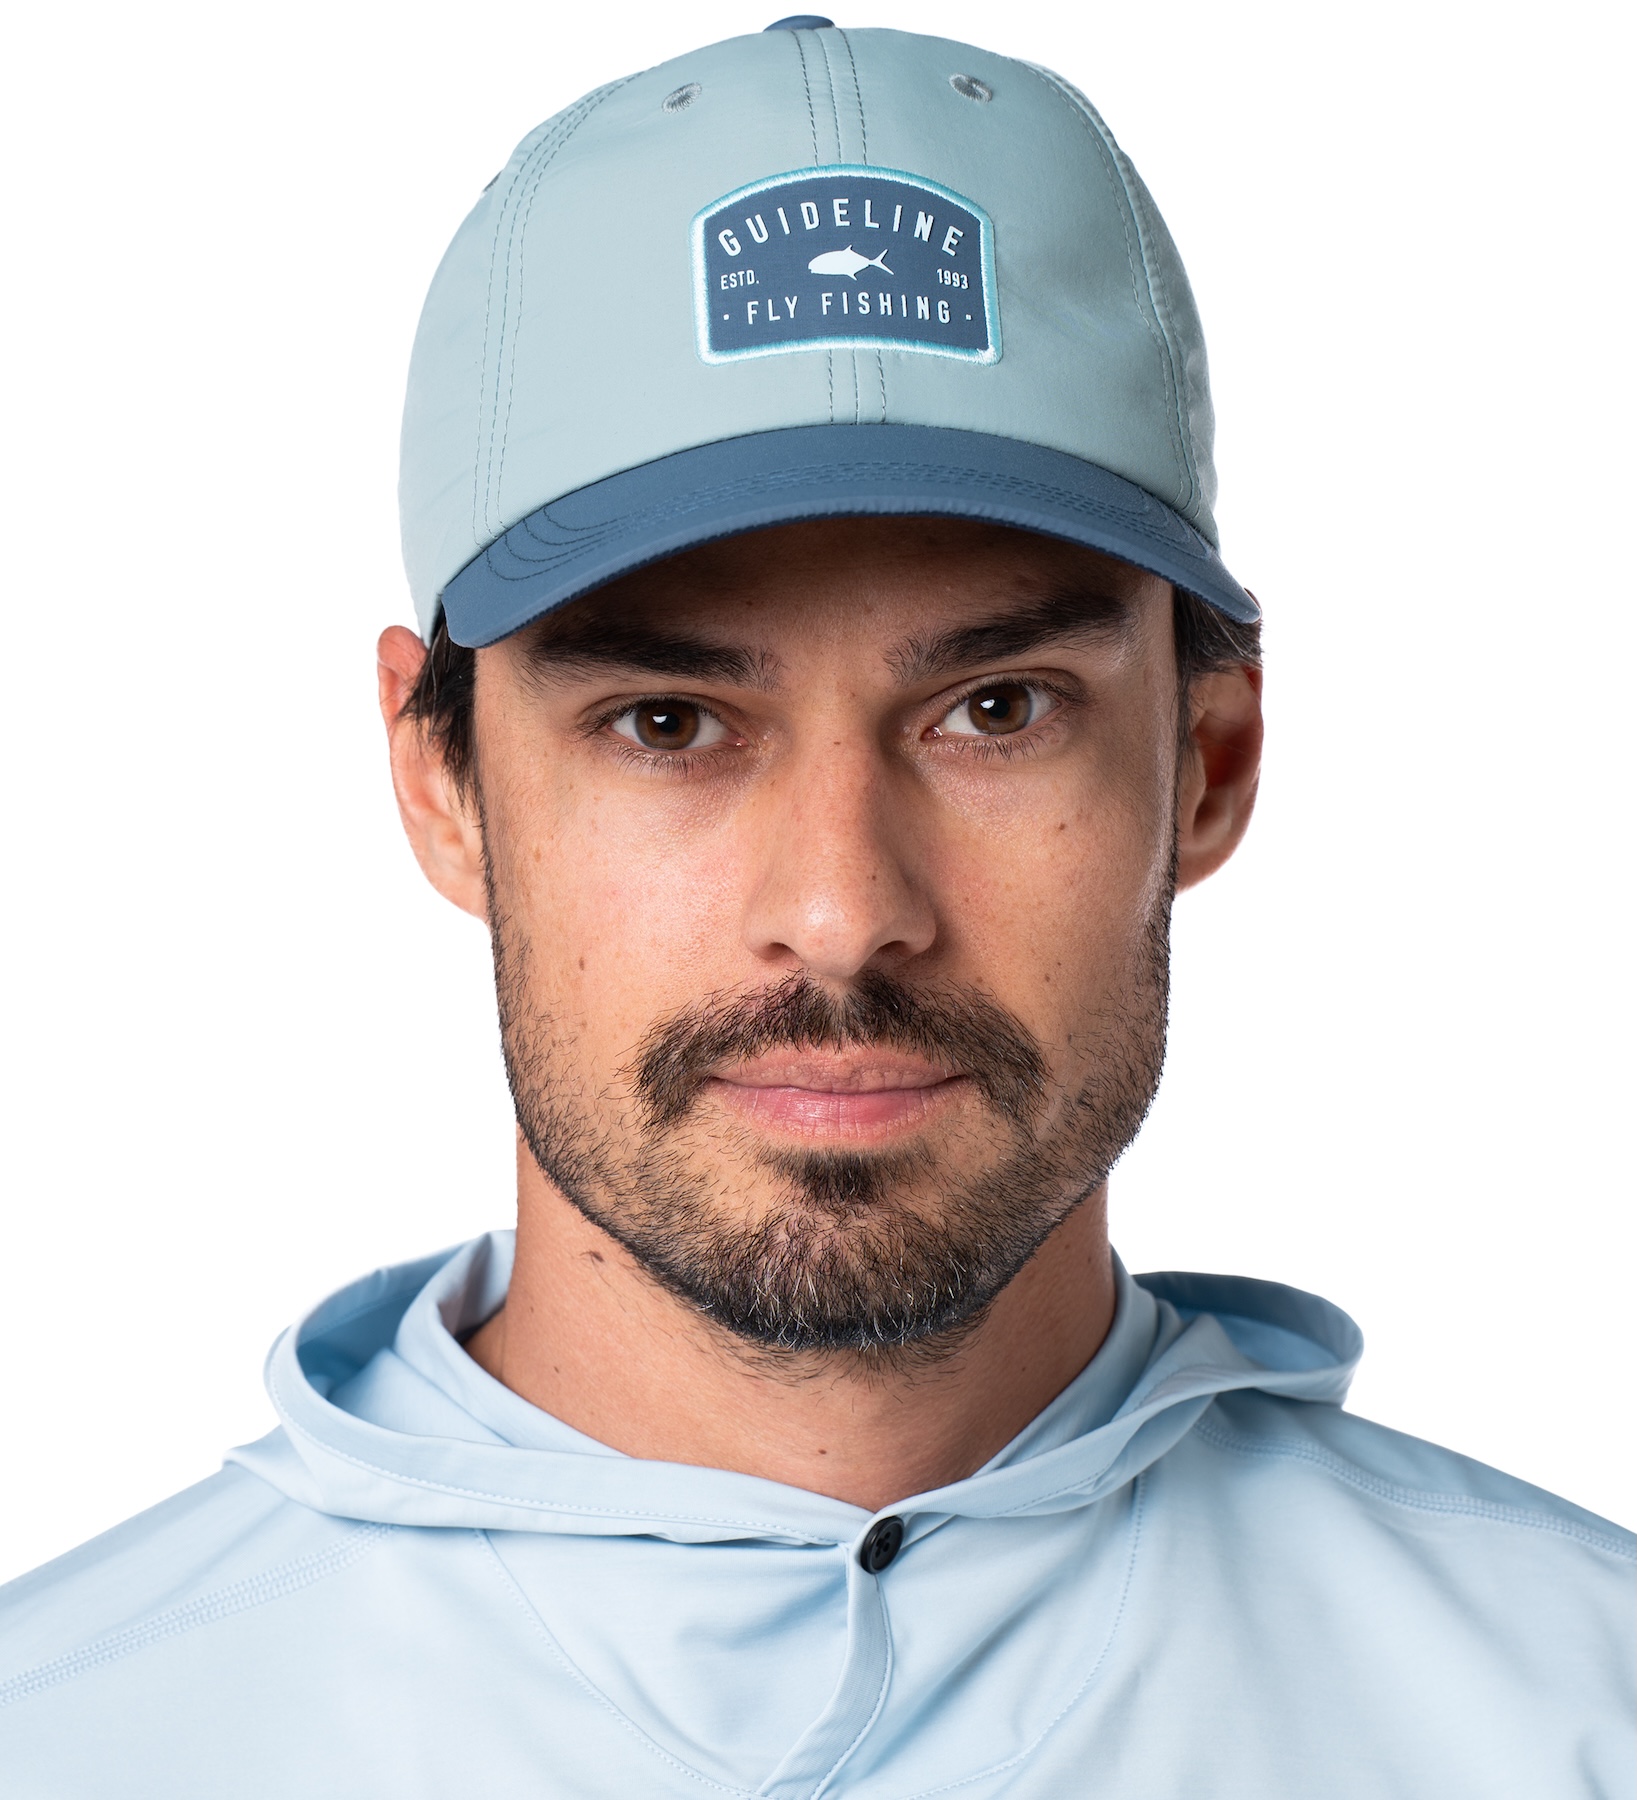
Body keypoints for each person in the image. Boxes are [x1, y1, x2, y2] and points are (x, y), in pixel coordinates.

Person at [0, 18, 1629, 1796]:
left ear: (1208, 763)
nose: (843, 912)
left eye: (994, 710)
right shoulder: (70, 1737)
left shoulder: (1577, 1712)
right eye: (667, 722)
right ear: (440, 780)